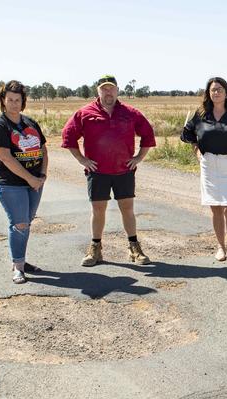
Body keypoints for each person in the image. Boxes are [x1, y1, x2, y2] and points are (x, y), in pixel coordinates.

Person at [62, 75, 156, 266]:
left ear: (117, 90)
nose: (108, 92)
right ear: (98, 91)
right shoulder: (85, 113)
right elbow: (68, 136)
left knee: (127, 209)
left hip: (124, 171)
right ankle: (96, 250)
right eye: (104, 89)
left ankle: (134, 249)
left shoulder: (130, 113)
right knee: (98, 210)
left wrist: (138, 157)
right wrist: (82, 159)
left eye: (111, 88)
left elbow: (147, 134)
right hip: (98, 172)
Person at [181, 76, 227, 264]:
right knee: (216, 208)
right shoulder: (201, 113)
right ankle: (220, 247)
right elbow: (188, 134)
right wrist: (198, 153)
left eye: (219, 89)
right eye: (212, 90)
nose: (216, 92)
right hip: (209, 164)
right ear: (208, 93)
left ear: (226, 92)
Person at [0, 80, 48, 284]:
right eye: (10, 100)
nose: (14, 103)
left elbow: (43, 149)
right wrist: (31, 178)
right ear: (3, 101)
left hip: (35, 183)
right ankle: (18, 268)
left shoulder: (30, 123)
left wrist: (42, 175)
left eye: (18, 100)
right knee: (20, 223)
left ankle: (20, 260)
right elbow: (5, 157)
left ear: (23, 102)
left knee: (26, 223)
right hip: (10, 184)